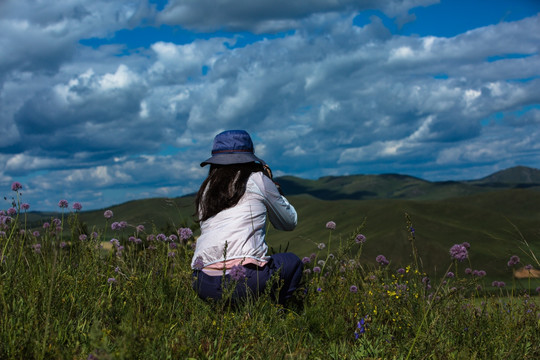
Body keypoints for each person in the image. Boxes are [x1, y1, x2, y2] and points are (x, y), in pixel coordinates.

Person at [191, 129, 303, 305]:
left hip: (202, 281)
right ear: (250, 159)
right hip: (245, 279)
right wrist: (275, 190)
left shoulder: (206, 190)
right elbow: (289, 222)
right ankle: (276, 313)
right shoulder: (258, 179)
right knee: (292, 262)